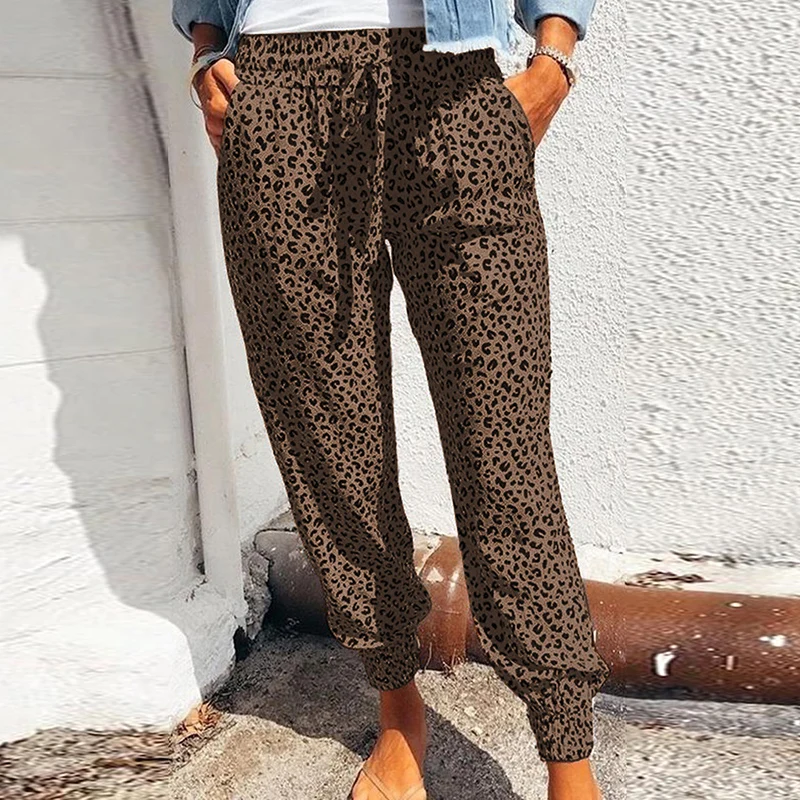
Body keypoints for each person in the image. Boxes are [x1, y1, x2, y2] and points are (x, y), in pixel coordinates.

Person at [171, 1, 611, 798]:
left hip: (451, 88)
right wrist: (206, 46)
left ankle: (567, 752)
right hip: (280, 96)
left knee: (503, 444)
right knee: (328, 439)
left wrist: (554, 58)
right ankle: (398, 709)